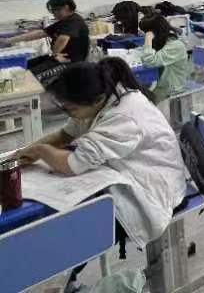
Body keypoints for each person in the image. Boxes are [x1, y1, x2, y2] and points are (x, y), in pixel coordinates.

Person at [16, 59, 186, 288]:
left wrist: (40, 151)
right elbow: (66, 134)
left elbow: (73, 164)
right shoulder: (102, 98)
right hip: (127, 171)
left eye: (72, 109)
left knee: (77, 230)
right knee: (65, 219)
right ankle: (61, 277)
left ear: (96, 100)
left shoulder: (124, 116)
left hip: (152, 188)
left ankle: (60, 280)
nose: (70, 114)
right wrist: (23, 153)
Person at [3, 0, 90, 87]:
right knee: (23, 66)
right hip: (58, 58)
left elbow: (62, 39)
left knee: (29, 77)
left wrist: (55, 54)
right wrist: (9, 40)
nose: (53, 14)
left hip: (70, 62)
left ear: (66, 7)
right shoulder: (64, 21)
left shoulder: (74, 21)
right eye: (52, 10)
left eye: (55, 10)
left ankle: (24, 93)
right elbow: (40, 33)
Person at [137, 14, 190, 119]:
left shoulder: (175, 45)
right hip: (161, 82)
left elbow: (149, 61)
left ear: (154, 32)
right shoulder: (163, 41)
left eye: (146, 33)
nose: (144, 35)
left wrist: (148, 39)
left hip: (170, 87)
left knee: (140, 101)